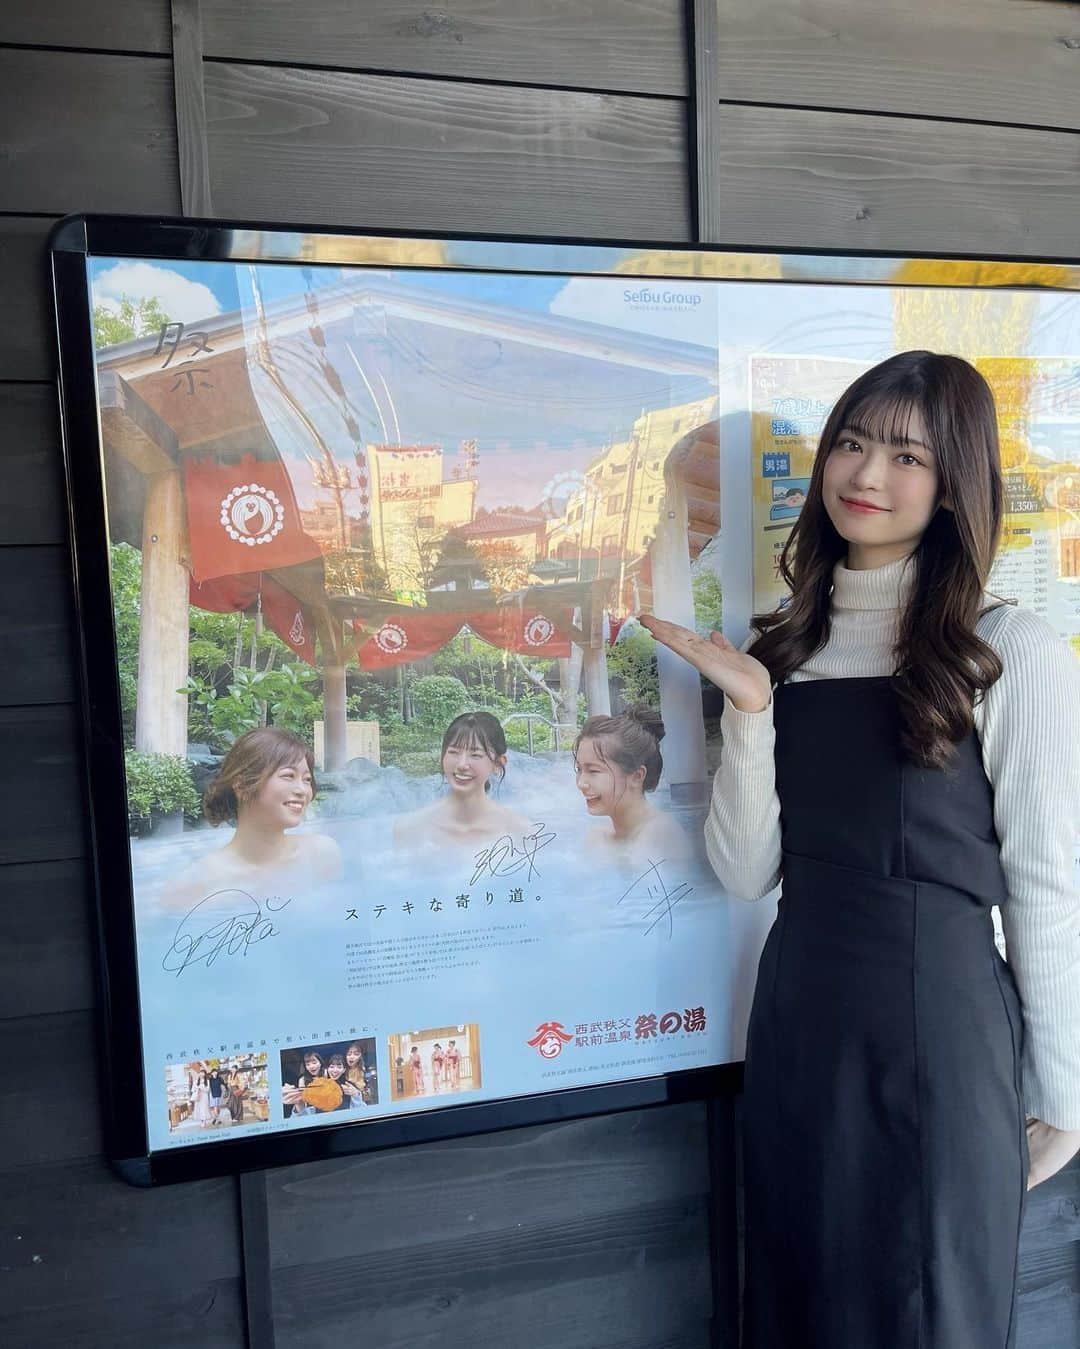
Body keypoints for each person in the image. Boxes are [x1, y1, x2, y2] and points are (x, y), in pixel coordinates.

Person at [642, 350, 1080, 1348]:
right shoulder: (780, 651)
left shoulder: (1008, 646)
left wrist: (1067, 1091)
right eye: (851, 440)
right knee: (804, 1296)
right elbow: (750, 872)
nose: (866, 474)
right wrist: (750, 714)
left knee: (933, 1304)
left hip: (945, 1020)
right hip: (805, 1015)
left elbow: (1051, 879)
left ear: (956, 482)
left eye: (905, 454)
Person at [159, 727, 342, 910]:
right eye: (288, 776)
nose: (302, 790)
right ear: (242, 786)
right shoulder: (193, 885)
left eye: (307, 780)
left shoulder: (321, 855)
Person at [393, 712, 532, 853]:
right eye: (453, 752)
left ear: (498, 763)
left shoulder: (519, 832)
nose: (462, 764)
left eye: (475, 755)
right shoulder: (410, 830)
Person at [573, 707, 689, 863]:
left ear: (636, 776)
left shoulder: (661, 834)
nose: (581, 783)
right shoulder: (596, 838)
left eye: (593, 771)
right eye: (579, 769)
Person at [282, 1049, 325, 1117]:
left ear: (320, 1063)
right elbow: (302, 1101)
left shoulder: (327, 1073)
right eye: (308, 1064)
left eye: (314, 1063)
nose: (311, 1066)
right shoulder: (302, 1080)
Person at [342, 1041, 368, 1109]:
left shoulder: (362, 1071)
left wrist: (356, 1093)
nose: (352, 1057)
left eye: (356, 1054)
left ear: (360, 1056)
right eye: (349, 1054)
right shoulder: (341, 1071)